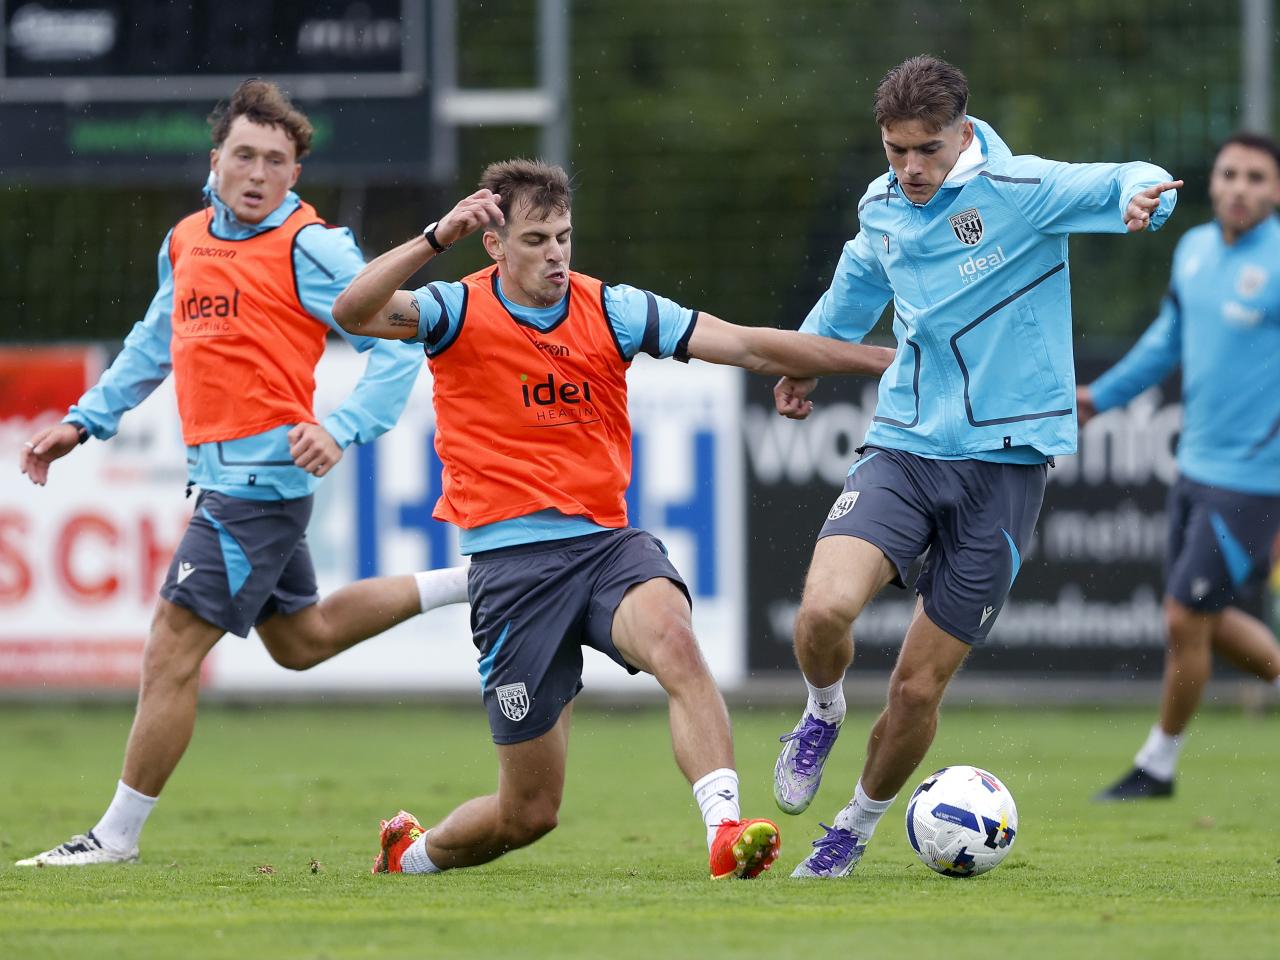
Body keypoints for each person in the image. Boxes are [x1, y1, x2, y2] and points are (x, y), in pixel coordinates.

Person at [332, 158, 895, 880]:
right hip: (511, 574)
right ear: (494, 244)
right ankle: (409, 855)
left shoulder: (614, 309)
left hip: (605, 549)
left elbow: (749, 345)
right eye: (534, 239)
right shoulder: (455, 309)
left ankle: (725, 831)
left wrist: (881, 360)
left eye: (563, 236)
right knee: (527, 814)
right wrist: (435, 236)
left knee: (677, 644)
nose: (555, 254)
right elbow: (352, 312)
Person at [15, 80, 468, 867]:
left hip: (253, 488)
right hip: (234, 485)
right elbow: (154, 341)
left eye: (276, 161)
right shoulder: (187, 239)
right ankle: (472, 579)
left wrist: (341, 426)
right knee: (301, 640)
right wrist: (84, 420)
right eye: (244, 156)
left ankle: (114, 839)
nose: (258, 173)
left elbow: (395, 349)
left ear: (295, 176)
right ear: (215, 160)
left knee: (169, 651)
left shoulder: (313, 247)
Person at [767, 55, 1181, 877]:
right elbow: (855, 287)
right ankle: (820, 712)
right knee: (820, 612)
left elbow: (1131, 177)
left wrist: (1150, 194)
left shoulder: (1026, 192)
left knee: (917, 690)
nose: (911, 169)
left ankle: (853, 825)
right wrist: (804, 359)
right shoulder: (883, 207)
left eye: (926, 149)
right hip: (906, 446)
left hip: (1005, 470)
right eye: (895, 151)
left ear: (964, 130)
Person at [1081, 132, 1280, 801]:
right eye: (1229, 173)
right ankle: (1158, 763)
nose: (1240, 187)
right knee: (1200, 616)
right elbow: (1164, 343)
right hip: (1194, 470)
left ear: (1276, 191)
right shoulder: (1194, 251)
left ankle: (1157, 765)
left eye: (1257, 177)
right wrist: (1097, 398)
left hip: (1255, 481)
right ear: (1212, 182)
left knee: (1182, 617)